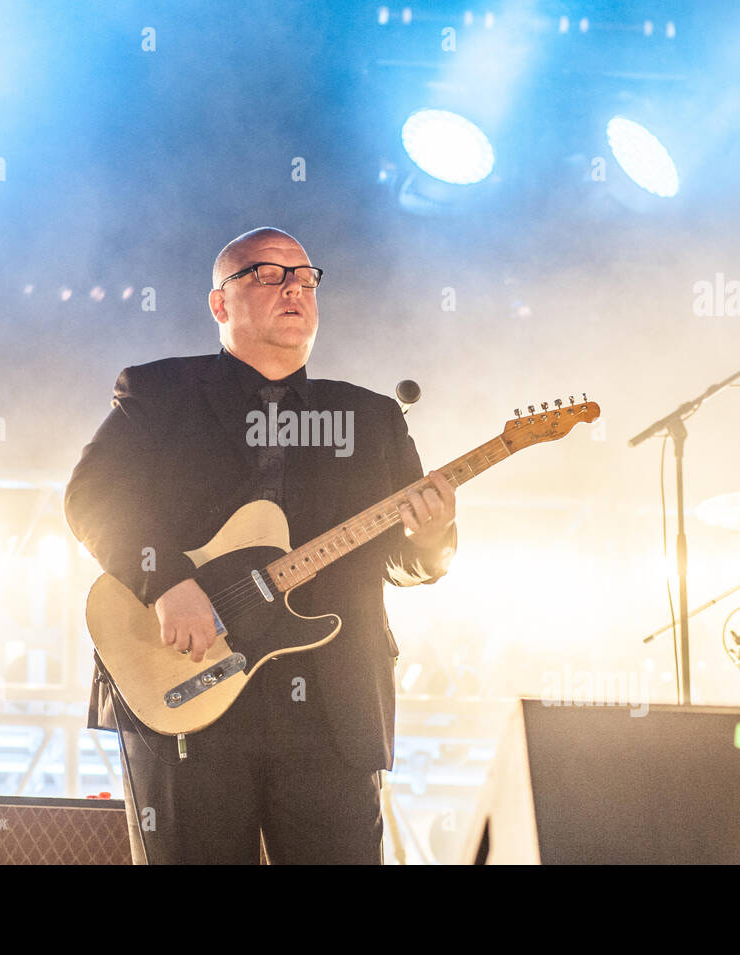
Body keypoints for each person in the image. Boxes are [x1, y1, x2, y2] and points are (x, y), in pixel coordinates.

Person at [64, 227, 457, 864]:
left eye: (305, 276)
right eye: (268, 274)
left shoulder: (372, 419)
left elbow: (407, 562)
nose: (294, 287)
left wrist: (434, 536)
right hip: (187, 682)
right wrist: (165, 583)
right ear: (220, 303)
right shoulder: (159, 393)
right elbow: (91, 498)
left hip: (332, 700)